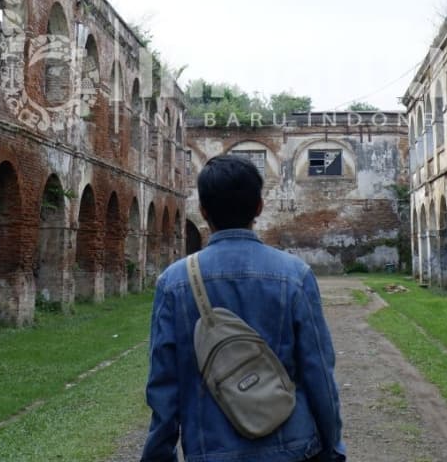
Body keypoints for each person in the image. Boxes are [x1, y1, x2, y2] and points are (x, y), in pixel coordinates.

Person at [140, 154, 347, 462]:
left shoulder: (174, 282)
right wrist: (332, 447)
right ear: (259, 208)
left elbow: (164, 384)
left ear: (203, 211)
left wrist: (158, 454)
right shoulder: (295, 275)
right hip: (291, 446)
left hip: (209, 449)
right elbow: (318, 373)